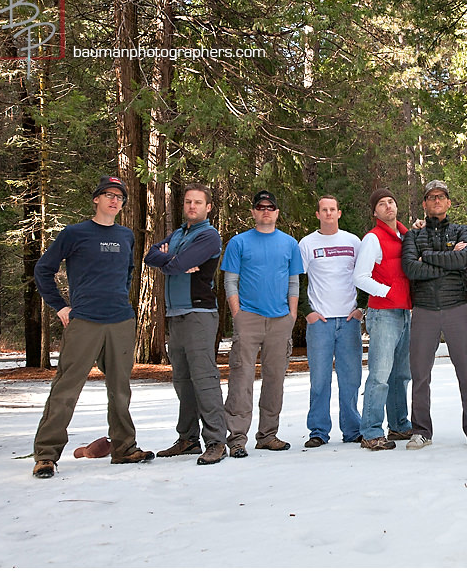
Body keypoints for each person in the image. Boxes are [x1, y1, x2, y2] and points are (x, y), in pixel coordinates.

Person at [31, 175, 154, 478]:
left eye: (120, 197)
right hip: (84, 321)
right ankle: (46, 455)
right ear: (96, 199)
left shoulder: (126, 236)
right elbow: (43, 270)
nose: (115, 200)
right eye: (109, 195)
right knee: (66, 388)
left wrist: (123, 305)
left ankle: (124, 448)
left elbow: (127, 274)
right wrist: (60, 306)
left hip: (120, 321)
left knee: (120, 390)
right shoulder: (74, 234)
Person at [144, 183, 227, 465]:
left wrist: (172, 261)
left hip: (199, 314)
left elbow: (177, 265)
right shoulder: (179, 233)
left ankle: (216, 441)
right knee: (182, 380)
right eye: (188, 202)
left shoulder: (209, 236)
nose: (192, 206)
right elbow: (150, 256)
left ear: (208, 207)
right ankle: (188, 439)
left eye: (198, 202)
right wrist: (172, 259)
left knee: (204, 379)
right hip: (175, 314)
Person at [402, 180, 467, 450]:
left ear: (449, 202)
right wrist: (446, 259)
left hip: (456, 308)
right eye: (431, 197)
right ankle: (421, 431)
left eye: (441, 197)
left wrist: (426, 257)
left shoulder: (462, 230)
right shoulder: (412, 236)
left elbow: (462, 260)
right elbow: (410, 269)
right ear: (425, 204)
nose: (436, 201)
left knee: (466, 371)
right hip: (425, 310)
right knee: (420, 374)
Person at [221, 190, 303, 457]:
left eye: (270, 207)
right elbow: (230, 281)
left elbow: (294, 283)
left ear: (277, 212)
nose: (266, 210)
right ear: (254, 212)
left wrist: (291, 316)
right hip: (249, 319)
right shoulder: (239, 243)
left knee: (275, 379)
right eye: (260, 206)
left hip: (280, 321)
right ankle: (236, 438)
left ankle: (268, 435)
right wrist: (238, 314)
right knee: (241, 378)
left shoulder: (290, 244)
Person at [298, 196, 363, 448]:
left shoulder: (352, 241)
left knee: (351, 378)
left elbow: (364, 274)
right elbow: (298, 280)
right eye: (323, 210)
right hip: (320, 322)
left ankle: (352, 429)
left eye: (332, 209)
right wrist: (308, 312)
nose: (328, 213)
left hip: (348, 320)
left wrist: (361, 308)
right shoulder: (307, 244)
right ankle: (318, 431)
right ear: (317, 214)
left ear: (339, 213)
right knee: (319, 379)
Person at [352, 188, 414, 451]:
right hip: (383, 313)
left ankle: (399, 425)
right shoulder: (373, 239)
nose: (388, 206)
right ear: (375, 211)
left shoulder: (405, 236)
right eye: (382, 203)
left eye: (391, 201)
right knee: (380, 375)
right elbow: (360, 277)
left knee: (401, 374)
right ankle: (371, 431)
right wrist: (389, 292)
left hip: (404, 312)